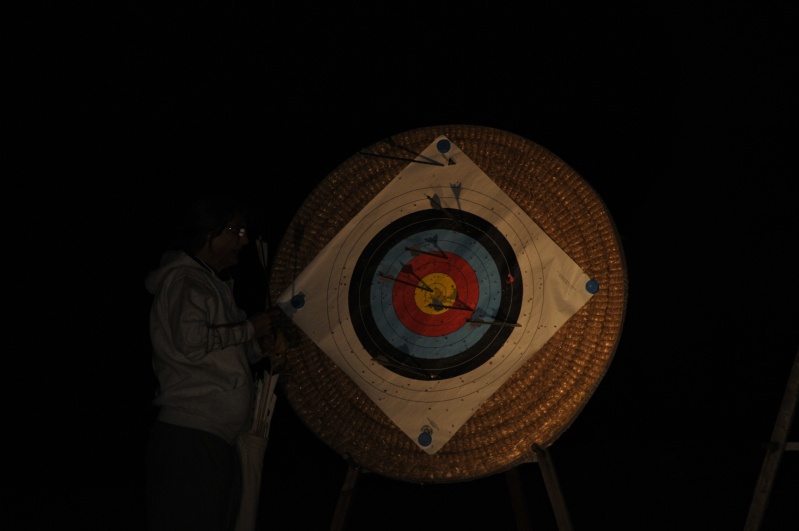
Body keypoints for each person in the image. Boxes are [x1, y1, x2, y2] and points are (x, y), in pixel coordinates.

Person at [144, 192, 286, 531]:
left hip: (214, 441)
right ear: (209, 232)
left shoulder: (211, 284)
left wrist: (259, 346)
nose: (245, 239)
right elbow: (191, 342)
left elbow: (222, 352)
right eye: (235, 231)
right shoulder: (184, 281)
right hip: (189, 440)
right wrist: (249, 327)